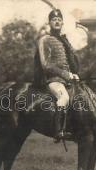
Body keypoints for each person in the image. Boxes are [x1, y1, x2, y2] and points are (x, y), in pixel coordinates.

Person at [34, 9, 80, 142]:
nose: (57, 21)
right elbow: (46, 65)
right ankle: (58, 131)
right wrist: (67, 75)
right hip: (53, 80)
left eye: (59, 19)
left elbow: (71, 62)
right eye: (54, 20)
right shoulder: (45, 40)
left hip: (67, 80)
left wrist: (75, 74)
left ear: (63, 23)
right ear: (49, 23)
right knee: (64, 98)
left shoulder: (63, 41)